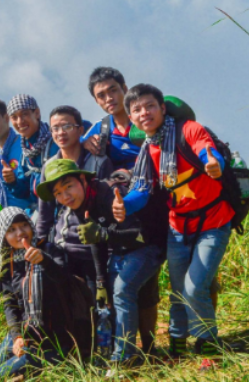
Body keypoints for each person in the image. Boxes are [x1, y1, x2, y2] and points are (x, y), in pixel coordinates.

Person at [114, 84, 231, 370]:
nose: (144, 113)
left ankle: (210, 347)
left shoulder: (187, 129)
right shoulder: (149, 147)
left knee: (194, 287)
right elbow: (141, 190)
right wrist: (124, 206)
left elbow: (206, 149)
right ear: (131, 117)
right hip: (178, 226)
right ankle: (178, 346)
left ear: (162, 108)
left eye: (149, 106)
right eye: (137, 110)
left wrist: (212, 163)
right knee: (178, 291)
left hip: (213, 221)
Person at [82, 67, 161, 356]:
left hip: (159, 209)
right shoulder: (100, 129)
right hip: (125, 214)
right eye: (101, 95)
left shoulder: (144, 118)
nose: (109, 98)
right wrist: (83, 142)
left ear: (124, 87)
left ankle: (151, 347)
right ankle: (131, 351)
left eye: (113, 90)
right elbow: (69, 142)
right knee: (129, 285)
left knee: (148, 287)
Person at [0, 207, 94, 378]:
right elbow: (10, 305)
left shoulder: (50, 250)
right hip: (23, 333)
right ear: (4, 237)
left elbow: (66, 282)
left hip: (54, 342)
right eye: (11, 230)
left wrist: (45, 261)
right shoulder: (8, 264)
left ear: (31, 225)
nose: (20, 232)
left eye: (24, 225)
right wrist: (16, 337)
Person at [33, 159, 110, 305]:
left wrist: (101, 281)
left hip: (94, 262)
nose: (65, 197)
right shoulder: (74, 204)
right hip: (68, 256)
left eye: (69, 186)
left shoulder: (101, 196)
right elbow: (44, 218)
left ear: (82, 179)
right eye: (58, 194)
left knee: (96, 306)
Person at [35, 106, 112, 239]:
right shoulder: (48, 167)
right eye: (55, 128)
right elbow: (44, 213)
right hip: (63, 240)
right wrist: (40, 244)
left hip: (96, 236)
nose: (61, 133)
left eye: (67, 127)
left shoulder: (99, 161)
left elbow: (109, 203)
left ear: (80, 130)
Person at [6, 94, 58, 198]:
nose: (20, 121)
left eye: (24, 114)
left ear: (37, 113)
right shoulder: (25, 152)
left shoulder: (56, 140)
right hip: (39, 206)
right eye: (14, 117)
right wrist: (12, 182)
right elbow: (24, 191)